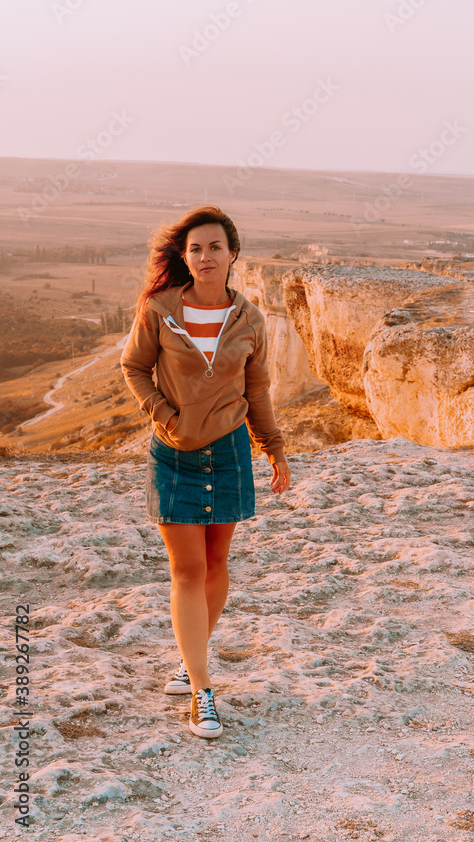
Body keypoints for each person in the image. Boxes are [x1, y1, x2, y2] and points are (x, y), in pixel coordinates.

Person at [120, 205, 290, 739]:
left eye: (215, 246)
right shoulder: (160, 309)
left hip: (232, 452)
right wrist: (165, 416)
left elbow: (256, 389)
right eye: (195, 248)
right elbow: (133, 368)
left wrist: (274, 449)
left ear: (232, 253)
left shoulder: (250, 319)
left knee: (217, 566)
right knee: (188, 571)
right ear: (184, 256)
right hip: (174, 456)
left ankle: (190, 659)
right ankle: (201, 690)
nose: (205, 256)